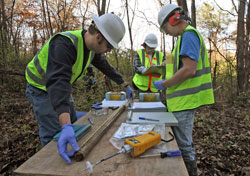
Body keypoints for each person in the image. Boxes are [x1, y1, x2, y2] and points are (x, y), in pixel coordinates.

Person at [25, 13, 134, 164]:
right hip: (40, 88)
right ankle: (50, 165)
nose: (108, 51)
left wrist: (124, 84)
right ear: (98, 37)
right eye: (109, 46)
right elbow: (58, 83)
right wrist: (65, 125)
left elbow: (104, 65)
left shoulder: (91, 48)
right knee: (54, 133)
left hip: (62, 87)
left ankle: (73, 148)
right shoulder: (64, 44)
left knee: (73, 122)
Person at [154, 4, 214, 176]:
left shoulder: (189, 35)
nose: (165, 33)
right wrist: (165, 65)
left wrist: (164, 84)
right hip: (180, 101)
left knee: (183, 145)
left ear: (174, 20)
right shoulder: (182, 39)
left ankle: (189, 172)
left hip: (186, 101)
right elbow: (178, 65)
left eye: (164, 28)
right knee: (182, 142)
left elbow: (189, 69)